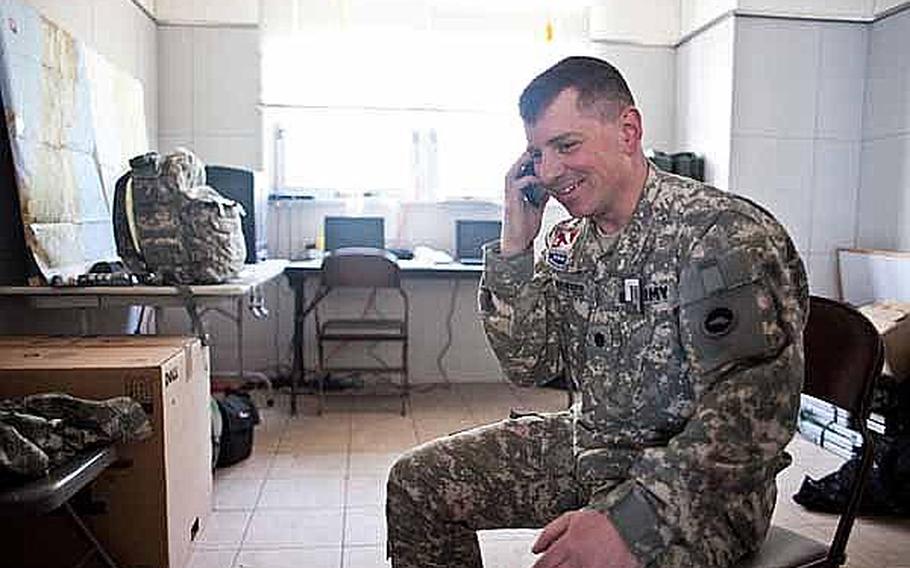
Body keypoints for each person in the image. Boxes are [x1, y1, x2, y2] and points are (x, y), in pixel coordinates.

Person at [386, 56, 808, 568]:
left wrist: (628, 524)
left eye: (566, 146)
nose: (549, 171)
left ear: (628, 131)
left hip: (697, 496)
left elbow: (750, 422)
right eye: (537, 153)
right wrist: (517, 245)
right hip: (595, 445)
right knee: (418, 484)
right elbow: (530, 365)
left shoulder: (718, 236)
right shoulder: (570, 241)